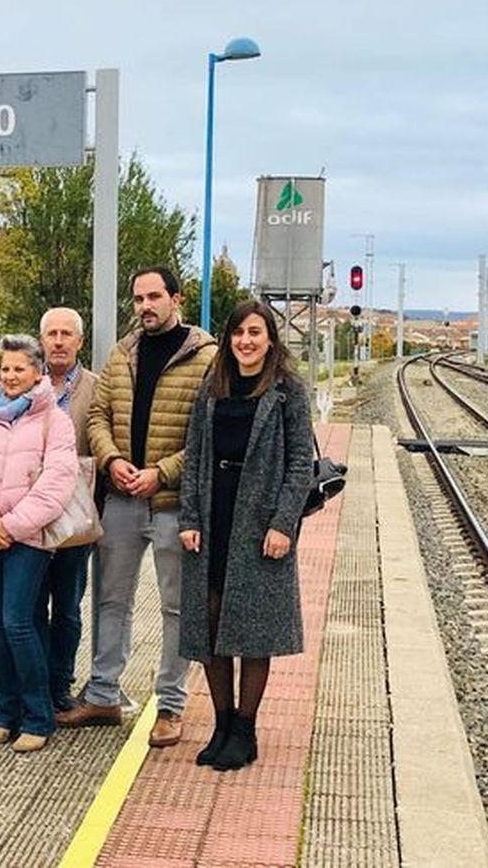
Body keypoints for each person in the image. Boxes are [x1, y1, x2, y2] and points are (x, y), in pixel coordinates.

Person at [58, 266, 216, 749]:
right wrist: (112, 460)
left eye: (154, 297)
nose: (145, 306)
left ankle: (170, 705)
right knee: (111, 599)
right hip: (122, 499)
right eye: (138, 299)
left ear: (176, 299)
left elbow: (208, 434)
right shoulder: (122, 352)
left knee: (176, 606)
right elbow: (99, 416)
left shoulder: (206, 357)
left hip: (173, 503)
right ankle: (103, 694)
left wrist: (161, 473)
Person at [178, 300, 315, 770]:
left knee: (254, 629)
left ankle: (245, 729)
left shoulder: (288, 391)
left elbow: (300, 463)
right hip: (213, 512)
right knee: (210, 620)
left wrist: (283, 523)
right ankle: (220, 724)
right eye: (238, 333)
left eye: (255, 332)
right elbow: (194, 454)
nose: (246, 341)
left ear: (270, 338)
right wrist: (189, 517)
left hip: (259, 521)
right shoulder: (212, 384)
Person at [0, 335, 77, 753]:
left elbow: (57, 482)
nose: (10, 376)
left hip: (29, 537)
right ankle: (4, 714)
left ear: (38, 373)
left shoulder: (54, 420)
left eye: (19, 368)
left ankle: (38, 716)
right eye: (5, 368)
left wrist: (13, 525)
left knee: (18, 621)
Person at [36, 307, 98, 713]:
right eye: (51, 334)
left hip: (76, 513)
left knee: (68, 605)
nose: (58, 341)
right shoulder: (25, 382)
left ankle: (60, 683)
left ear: (80, 341)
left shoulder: (96, 388)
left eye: (66, 334)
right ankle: (34, 681)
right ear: (41, 340)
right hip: (30, 511)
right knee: (31, 603)